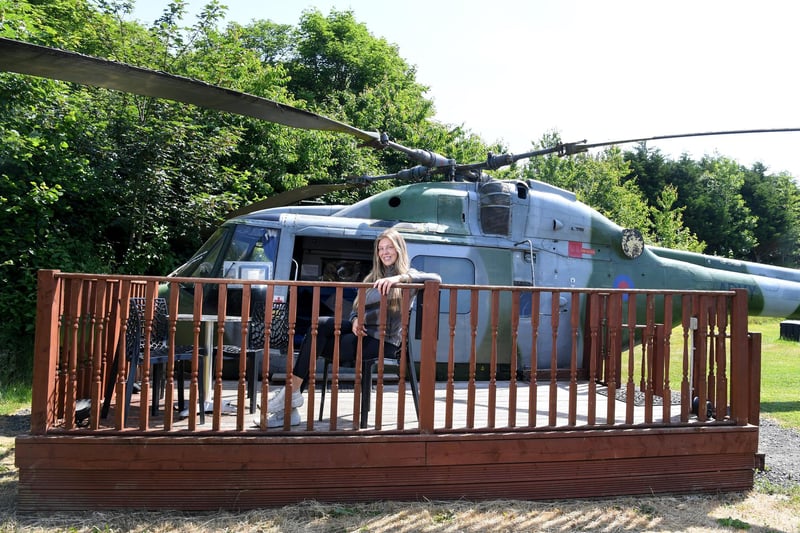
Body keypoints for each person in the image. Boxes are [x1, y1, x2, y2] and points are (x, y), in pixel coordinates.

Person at [260, 228, 441, 427]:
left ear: (399, 249)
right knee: (320, 325)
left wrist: (398, 279)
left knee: (317, 342)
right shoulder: (371, 278)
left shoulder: (409, 276)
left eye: (389, 247)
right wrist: (355, 320)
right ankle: (291, 399)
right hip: (363, 333)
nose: (385, 252)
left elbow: (436, 278)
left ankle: (290, 400)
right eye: (381, 248)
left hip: (383, 341)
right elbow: (356, 308)